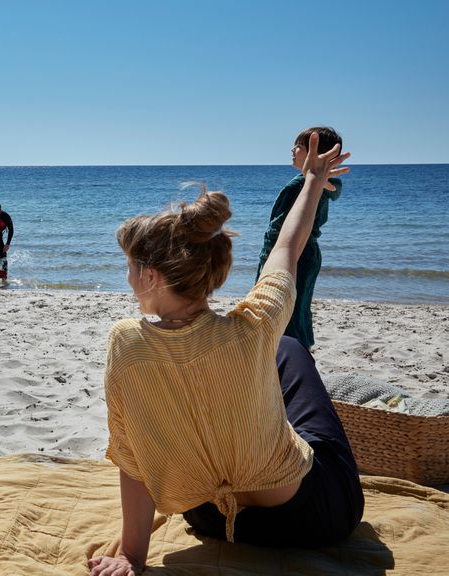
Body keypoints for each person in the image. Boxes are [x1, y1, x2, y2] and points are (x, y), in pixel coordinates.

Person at [88, 133, 363, 576]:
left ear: (152, 277)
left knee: (275, 355)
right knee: (289, 348)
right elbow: (287, 249)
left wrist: (132, 556)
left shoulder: (127, 343)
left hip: (212, 519)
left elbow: (130, 453)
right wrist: (313, 182)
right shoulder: (254, 327)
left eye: (131, 267)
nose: (128, 277)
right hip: (315, 519)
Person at [255, 126, 344, 351]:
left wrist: (316, 177)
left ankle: (293, 350)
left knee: (288, 306)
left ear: (318, 154)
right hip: (295, 251)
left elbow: (333, 189)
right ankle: (292, 348)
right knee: (291, 304)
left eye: (299, 146)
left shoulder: (311, 182)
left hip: (297, 252)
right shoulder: (306, 180)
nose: (292, 150)